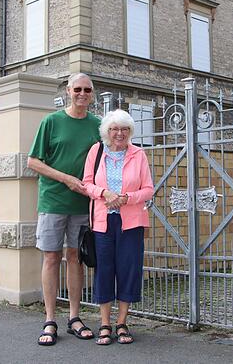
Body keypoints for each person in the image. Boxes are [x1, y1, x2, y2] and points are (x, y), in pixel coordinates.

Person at [28, 73, 100, 346]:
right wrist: (67, 179)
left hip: (83, 204)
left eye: (87, 90)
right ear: (69, 91)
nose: (82, 93)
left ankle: (74, 317)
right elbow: (33, 162)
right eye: (78, 89)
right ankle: (49, 320)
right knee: (51, 258)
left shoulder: (98, 125)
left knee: (75, 258)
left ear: (92, 94)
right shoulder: (52, 121)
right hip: (53, 202)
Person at [82, 109, 154, 345]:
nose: (119, 133)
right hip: (103, 222)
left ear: (130, 132)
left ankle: (122, 322)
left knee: (128, 270)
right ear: (107, 132)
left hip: (131, 222)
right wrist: (104, 193)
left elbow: (148, 189)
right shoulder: (97, 151)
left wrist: (126, 197)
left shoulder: (138, 154)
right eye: (114, 129)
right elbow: (87, 185)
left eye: (124, 129)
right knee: (104, 270)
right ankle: (104, 323)